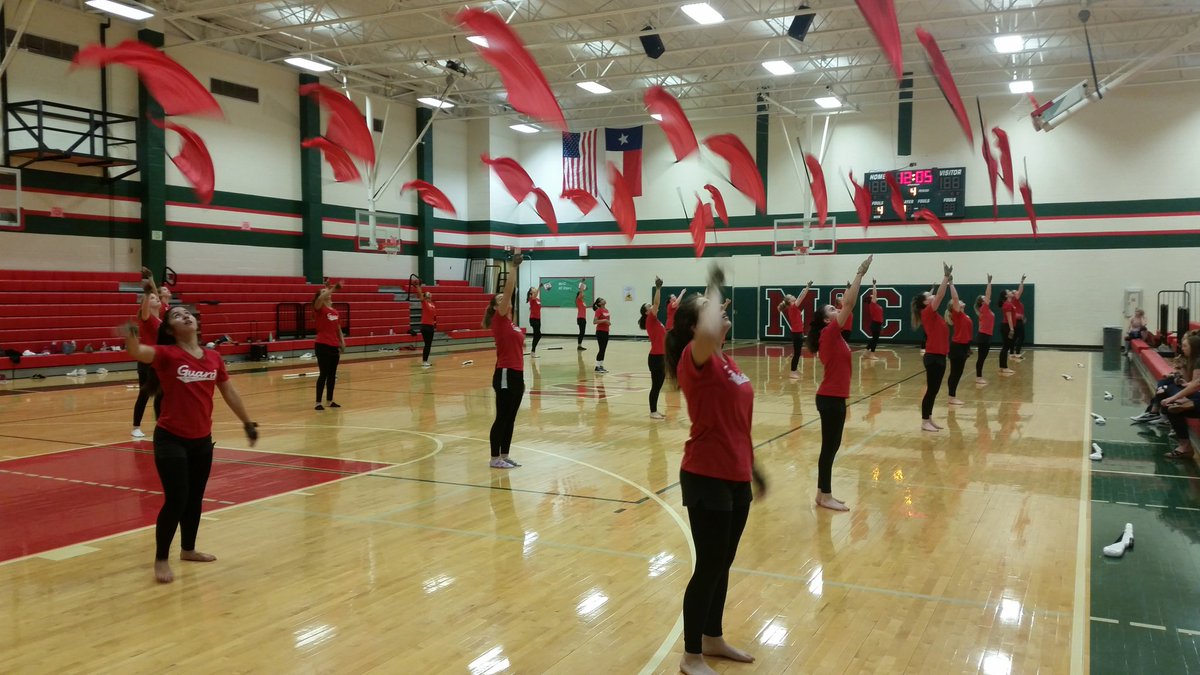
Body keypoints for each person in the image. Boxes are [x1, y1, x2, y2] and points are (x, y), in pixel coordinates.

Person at [665, 265, 765, 675]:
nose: (721, 310)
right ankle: (691, 656)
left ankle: (713, 637)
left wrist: (754, 468)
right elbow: (707, 331)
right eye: (708, 309)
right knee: (708, 564)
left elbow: (737, 423)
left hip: (736, 474)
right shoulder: (696, 357)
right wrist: (713, 285)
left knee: (723, 562)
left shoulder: (727, 363)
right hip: (706, 474)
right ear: (694, 327)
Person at [117, 305, 258, 583]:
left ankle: (188, 550)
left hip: (202, 440)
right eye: (177, 315)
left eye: (188, 313)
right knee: (177, 499)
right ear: (170, 329)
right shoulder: (168, 354)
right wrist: (131, 336)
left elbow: (228, 391)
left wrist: (247, 422)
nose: (185, 316)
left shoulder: (214, 357)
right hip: (171, 439)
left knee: (194, 499)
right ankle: (160, 559)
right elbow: (137, 352)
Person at [807, 256, 873, 511]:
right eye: (831, 311)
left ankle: (822, 493)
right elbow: (850, 302)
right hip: (830, 399)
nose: (837, 310)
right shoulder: (829, 333)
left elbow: (847, 303)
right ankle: (825, 496)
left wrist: (853, 284)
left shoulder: (834, 336)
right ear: (826, 320)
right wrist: (859, 274)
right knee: (829, 449)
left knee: (832, 447)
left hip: (834, 398)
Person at [482, 248, 527, 469]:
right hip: (505, 373)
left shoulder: (512, 322)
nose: (504, 299)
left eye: (505, 298)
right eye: (499, 299)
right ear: (495, 306)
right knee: (502, 417)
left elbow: (512, 294)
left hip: (517, 373)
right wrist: (513, 267)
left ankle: (505, 455)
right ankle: (494, 458)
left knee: (511, 417)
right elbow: (509, 292)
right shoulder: (498, 321)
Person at [913, 263, 952, 432]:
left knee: (934, 390)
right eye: (929, 295)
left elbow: (937, 295)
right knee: (931, 390)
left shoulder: (932, 313)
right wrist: (945, 277)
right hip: (933, 357)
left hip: (940, 356)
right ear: (924, 302)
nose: (932, 296)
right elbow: (941, 295)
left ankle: (929, 418)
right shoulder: (927, 312)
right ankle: (924, 421)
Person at [132, 267, 165, 438]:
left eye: (156, 297)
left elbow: (156, 296)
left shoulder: (160, 316)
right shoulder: (146, 318)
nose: (156, 298)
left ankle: (160, 426)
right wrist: (146, 294)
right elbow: (146, 304)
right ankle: (136, 427)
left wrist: (151, 277)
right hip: (146, 361)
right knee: (145, 394)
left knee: (161, 394)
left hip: (158, 361)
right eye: (153, 298)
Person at [1161, 332, 1200, 459]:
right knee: (1170, 408)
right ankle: (1185, 446)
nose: (1182, 349)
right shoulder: (1191, 360)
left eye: (1185, 346)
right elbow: (1193, 383)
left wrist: (1174, 397)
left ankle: (1188, 403)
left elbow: (1196, 384)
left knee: (1171, 395)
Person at [312, 279, 345, 410]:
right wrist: (332, 289)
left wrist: (342, 341)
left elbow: (338, 329)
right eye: (324, 292)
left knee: (332, 374)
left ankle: (330, 400)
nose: (327, 294)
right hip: (322, 345)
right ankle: (318, 402)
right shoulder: (319, 308)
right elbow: (320, 298)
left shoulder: (335, 312)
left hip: (333, 345)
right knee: (323, 373)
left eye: (328, 292)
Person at [640, 277, 667, 419]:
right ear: (646, 312)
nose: (652, 306)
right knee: (656, 386)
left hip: (661, 356)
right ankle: (652, 412)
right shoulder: (650, 318)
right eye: (648, 306)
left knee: (658, 385)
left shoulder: (656, 321)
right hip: (656, 358)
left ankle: (654, 410)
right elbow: (657, 302)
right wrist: (658, 288)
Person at [944, 283, 973, 406]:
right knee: (955, 372)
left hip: (963, 346)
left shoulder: (964, 315)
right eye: (958, 302)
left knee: (958, 372)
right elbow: (955, 298)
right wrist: (951, 284)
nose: (960, 301)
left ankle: (952, 396)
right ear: (954, 307)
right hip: (957, 347)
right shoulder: (957, 314)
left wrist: (968, 347)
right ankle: (951, 397)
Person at [776, 282, 812, 379]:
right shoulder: (793, 306)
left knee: (797, 353)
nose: (793, 296)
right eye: (791, 296)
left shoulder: (792, 307)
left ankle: (794, 371)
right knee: (797, 353)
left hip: (797, 333)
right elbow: (802, 297)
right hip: (797, 334)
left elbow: (800, 297)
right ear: (789, 300)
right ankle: (793, 372)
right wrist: (807, 287)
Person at [975, 274, 994, 385]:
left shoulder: (986, 309)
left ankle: (979, 376)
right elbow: (988, 294)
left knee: (983, 357)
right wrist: (989, 283)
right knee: (981, 358)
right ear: (982, 302)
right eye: (984, 298)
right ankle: (978, 377)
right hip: (983, 336)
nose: (986, 298)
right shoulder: (984, 308)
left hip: (987, 336)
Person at [998, 288, 1018, 376]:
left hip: (1008, 327)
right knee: (1005, 348)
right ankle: (1004, 367)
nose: (1011, 292)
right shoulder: (1007, 305)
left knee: (1006, 347)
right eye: (1009, 292)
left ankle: (1003, 367)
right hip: (1007, 327)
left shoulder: (1009, 303)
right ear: (1006, 295)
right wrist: (1012, 329)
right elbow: (1009, 318)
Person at [419, 285, 437, 368]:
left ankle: (425, 361)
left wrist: (435, 324)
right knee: (427, 344)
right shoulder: (424, 302)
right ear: (426, 296)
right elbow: (420, 296)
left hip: (431, 326)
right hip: (425, 326)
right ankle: (424, 361)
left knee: (429, 344)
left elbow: (434, 316)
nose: (430, 295)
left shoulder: (432, 304)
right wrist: (418, 287)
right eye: (428, 294)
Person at [865, 279, 884, 359]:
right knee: (875, 340)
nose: (875, 297)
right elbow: (874, 293)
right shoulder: (872, 305)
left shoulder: (875, 305)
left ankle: (866, 352)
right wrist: (874, 284)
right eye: (873, 297)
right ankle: (872, 355)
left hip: (877, 324)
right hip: (875, 324)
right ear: (871, 299)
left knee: (874, 339)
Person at [593, 297, 611, 373]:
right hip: (600, 331)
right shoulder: (598, 310)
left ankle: (601, 365)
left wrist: (608, 322)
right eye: (601, 300)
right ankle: (597, 366)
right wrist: (604, 320)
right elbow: (595, 321)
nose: (604, 300)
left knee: (604, 349)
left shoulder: (607, 310)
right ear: (599, 303)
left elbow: (608, 321)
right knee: (601, 349)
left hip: (606, 331)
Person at [1012, 274, 1028, 358]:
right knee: (1021, 337)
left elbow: (1020, 312)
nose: (1017, 292)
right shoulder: (1014, 299)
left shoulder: (1019, 303)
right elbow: (1020, 291)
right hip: (1016, 322)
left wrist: (1023, 317)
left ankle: (1012, 353)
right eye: (1015, 292)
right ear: (1014, 295)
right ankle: (1016, 353)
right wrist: (1022, 281)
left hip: (1019, 321)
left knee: (1015, 337)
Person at [527, 286, 543, 357]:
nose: (534, 288)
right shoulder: (531, 298)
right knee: (537, 334)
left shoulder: (538, 299)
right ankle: (533, 352)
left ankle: (533, 351)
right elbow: (535, 295)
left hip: (538, 319)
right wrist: (539, 287)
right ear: (531, 292)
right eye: (532, 288)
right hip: (533, 319)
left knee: (538, 335)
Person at [575, 281, 588, 351]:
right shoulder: (578, 300)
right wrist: (582, 284)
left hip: (583, 318)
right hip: (580, 318)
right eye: (582, 294)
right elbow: (580, 293)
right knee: (581, 332)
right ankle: (579, 346)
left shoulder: (583, 302)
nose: (583, 294)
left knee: (582, 332)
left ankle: (580, 345)